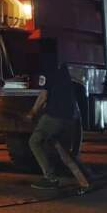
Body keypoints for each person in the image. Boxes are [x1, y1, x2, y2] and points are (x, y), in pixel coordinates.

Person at [27, 46, 80, 189]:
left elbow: (44, 95)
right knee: (59, 146)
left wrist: (32, 112)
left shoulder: (46, 71)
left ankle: (50, 178)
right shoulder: (63, 69)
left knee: (35, 141)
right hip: (69, 116)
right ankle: (82, 175)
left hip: (55, 115)